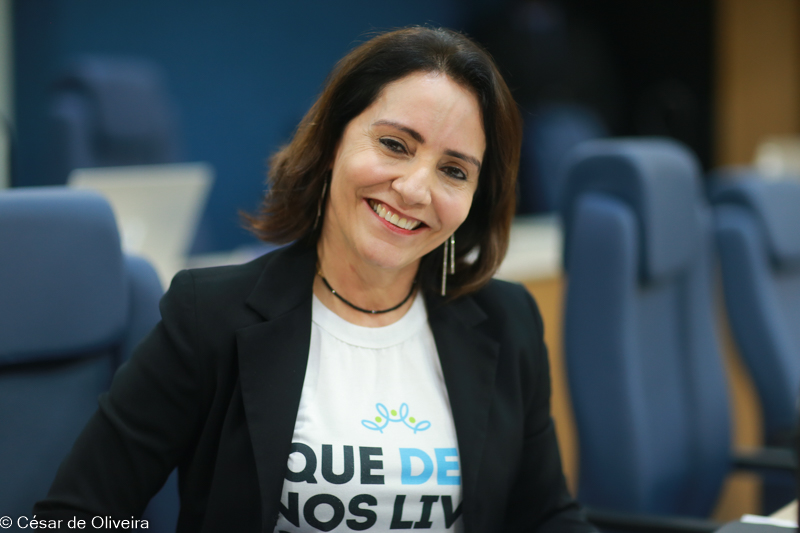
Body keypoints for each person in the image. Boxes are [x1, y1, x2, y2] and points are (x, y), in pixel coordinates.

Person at [35, 26, 596, 532]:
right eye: (394, 145)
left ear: (475, 198)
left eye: (454, 170)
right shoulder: (210, 317)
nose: (415, 189)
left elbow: (545, 515)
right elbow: (73, 516)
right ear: (331, 143)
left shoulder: (507, 320)